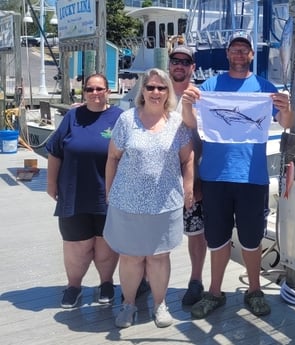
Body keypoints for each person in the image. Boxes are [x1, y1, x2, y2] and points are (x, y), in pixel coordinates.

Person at [181, 31, 294, 319]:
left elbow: (286, 123)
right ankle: (215, 292)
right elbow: (193, 123)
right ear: (228, 54)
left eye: (245, 49)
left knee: (251, 239)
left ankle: (254, 291)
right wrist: (187, 102)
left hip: (251, 178)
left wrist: (286, 107)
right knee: (217, 238)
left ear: (252, 55)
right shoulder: (211, 85)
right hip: (215, 177)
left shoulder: (265, 87)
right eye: (235, 49)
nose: (240, 54)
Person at [103, 68, 195, 328]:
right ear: (142, 91)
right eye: (150, 87)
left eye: (161, 88)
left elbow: (187, 158)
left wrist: (188, 187)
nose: (156, 92)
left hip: (165, 204)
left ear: (168, 93)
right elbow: (112, 158)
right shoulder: (126, 119)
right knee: (131, 256)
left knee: (158, 257)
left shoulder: (177, 123)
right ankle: (128, 304)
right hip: (127, 201)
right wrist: (109, 191)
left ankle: (160, 304)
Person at [46, 74, 122, 309]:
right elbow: (54, 151)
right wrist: (51, 184)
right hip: (74, 193)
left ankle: (106, 283)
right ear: (84, 92)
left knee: (105, 245)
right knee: (76, 245)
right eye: (90, 89)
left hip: (108, 195)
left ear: (109, 91)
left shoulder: (119, 118)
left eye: (100, 88)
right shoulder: (72, 116)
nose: (95, 93)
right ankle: (74, 286)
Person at [168, 44, 208, 306]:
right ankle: (149, 279)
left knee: (196, 233)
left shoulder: (203, 97)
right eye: (175, 60)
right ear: (169, 64)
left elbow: (205, 135)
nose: (180, 65)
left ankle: (196, 280)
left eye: (186, 61)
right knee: (155, 234)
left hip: (194, 179)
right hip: (159, 180)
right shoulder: (155, 91)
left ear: (193, 67)